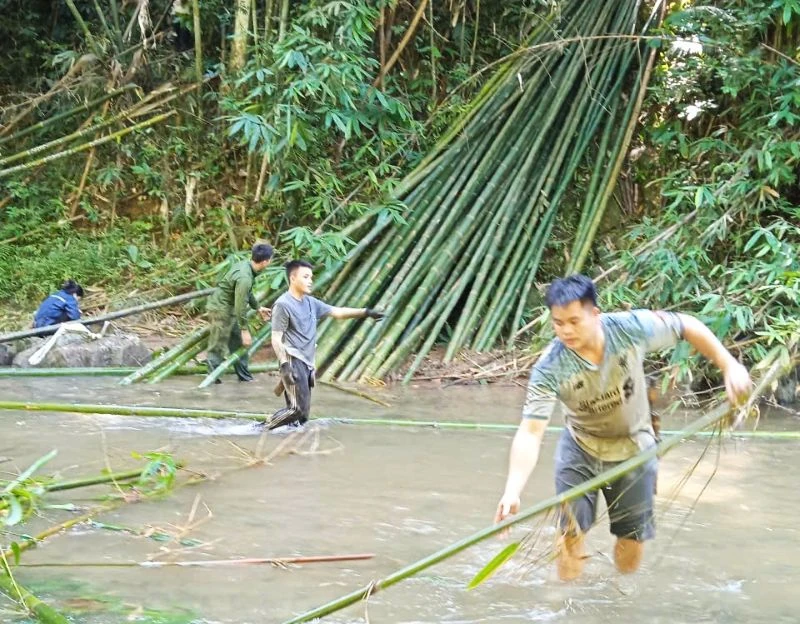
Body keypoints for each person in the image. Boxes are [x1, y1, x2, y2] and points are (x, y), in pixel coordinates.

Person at [494, 274, 752, 581]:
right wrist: (512, 490)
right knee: (570, 533)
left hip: (634, 447)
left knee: (632, 542)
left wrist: (729, 365)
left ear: (595, 314)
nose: (566, 331)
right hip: (580, 447)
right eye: (558, 322)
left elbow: (686, 325)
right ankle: (564, 602)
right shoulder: (550, 367)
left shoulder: (629, 329)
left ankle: (617, 596)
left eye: (574, 321)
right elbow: (531, 432)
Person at [267, 260, 385, 429]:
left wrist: (366, 312)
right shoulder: (283, 304)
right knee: (296, 410)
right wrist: (285, 366)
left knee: (302, 418)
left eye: (311, 277)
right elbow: (276, 338)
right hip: (292, 360)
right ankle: (260, 430)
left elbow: (338, 312)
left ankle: (287, 440)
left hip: (307, 363)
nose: (310, 281)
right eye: (305, 276)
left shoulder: (311, 302)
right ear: (293, 278)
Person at [205, 243, 273, 382]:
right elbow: (240, 304)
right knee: (217, 346)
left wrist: (258, 307)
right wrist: (244, 329)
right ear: (265, 261)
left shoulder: (246, 267)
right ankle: (212, 381)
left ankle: (244, 378)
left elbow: (246, 293)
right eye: (270, 259)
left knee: (239, 344)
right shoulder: (245, 277)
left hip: (229, 309)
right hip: (220, 309)